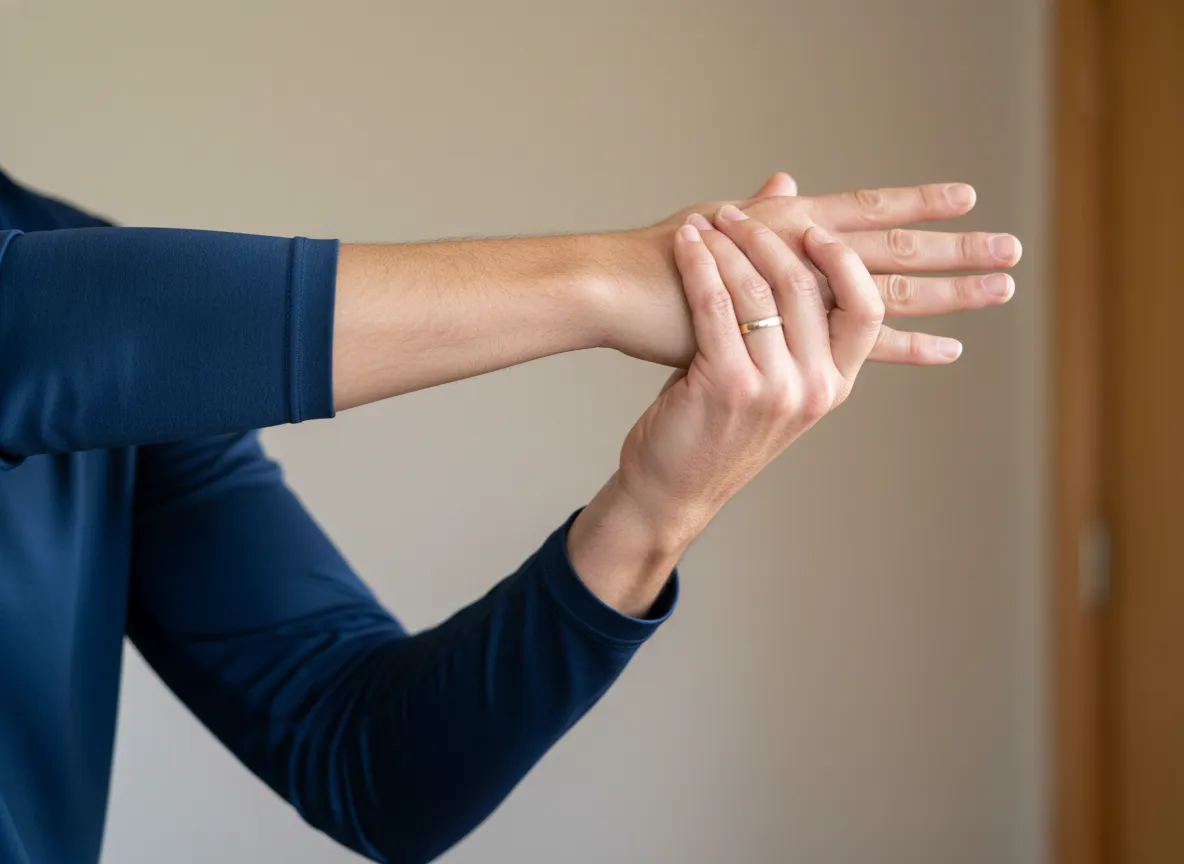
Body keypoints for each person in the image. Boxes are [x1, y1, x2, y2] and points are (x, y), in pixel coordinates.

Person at [0, 166, 1019, 864]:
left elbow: (369, 761)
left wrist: (654, 507)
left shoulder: (81, 262)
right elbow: (34, 336)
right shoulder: (81, 300)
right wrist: (602, 282)